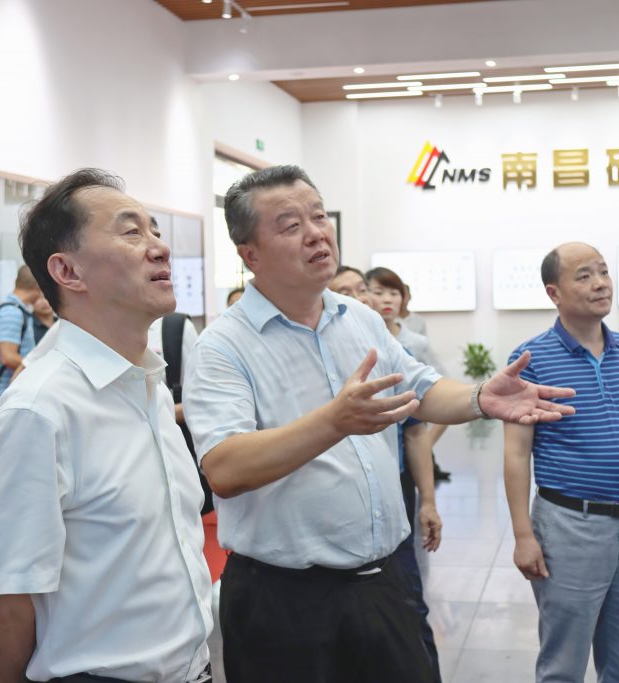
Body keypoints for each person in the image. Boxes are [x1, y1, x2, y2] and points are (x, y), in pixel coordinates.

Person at [183, 164, 575, 683]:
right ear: (249, 254)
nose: (316, 233)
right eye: (291, 225)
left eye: (318, 216)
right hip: (283, 602)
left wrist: (481, 397)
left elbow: (421, 389)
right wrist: (334, 422)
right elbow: (225, 468)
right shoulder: (222, 346)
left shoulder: (359, 318)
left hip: (383, 584)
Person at [0, 169, 214, 683]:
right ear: (67, 271)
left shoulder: (148, 386)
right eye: (131, 232)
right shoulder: (38, 412)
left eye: (155, 230)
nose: (160, 248)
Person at [503, 242, 619, 683]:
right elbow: (516, 453)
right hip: (569, 528)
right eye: (584, 275)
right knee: (563, 665)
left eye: (603, 272)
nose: (600, 283)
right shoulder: (530, 361)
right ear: (554, 293)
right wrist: (523, 535)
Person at [330, 266, 443, 679]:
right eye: (345, 292)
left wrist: (427, 500)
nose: (360, 298)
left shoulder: (392, 350)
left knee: (409, 608)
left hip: (392, 493)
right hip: (339, 510)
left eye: (362, 289)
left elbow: (416, 429)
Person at [366, 266, 452, 481]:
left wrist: (426, 445)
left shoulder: (416, 343)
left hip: (409, 443)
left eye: (394, 293)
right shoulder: (358, 338)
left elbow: (442, 387)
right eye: (379, 293)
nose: (387, 299)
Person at [0, 265, 41, 411]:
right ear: (38, 286)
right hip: (7, 395)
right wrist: (39, 368)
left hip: (12, 393)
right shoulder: (12, 313)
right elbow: (8, 357)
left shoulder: (16, 310)